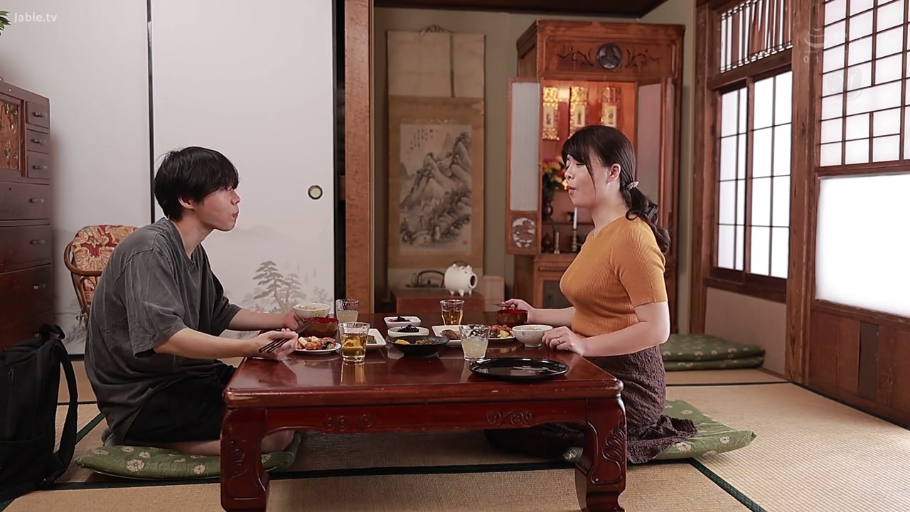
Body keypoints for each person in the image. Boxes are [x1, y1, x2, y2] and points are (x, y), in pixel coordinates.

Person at [485, 125, 697, 464]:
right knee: (500, 403)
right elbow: (593, 310)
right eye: (567, 164)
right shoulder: (599, 234)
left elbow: (658, 328)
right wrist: (534, 314)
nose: (567, 173)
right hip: (591, 368)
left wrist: (584, 345)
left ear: (613, 172)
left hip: (627, 382)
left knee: (510, 423)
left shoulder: (633, 237)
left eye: (579, 164)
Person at [85, 146, 299, 456]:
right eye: (225, 188)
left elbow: (219, 312)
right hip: (145, 397)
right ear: (187, 199)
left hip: (189, 375)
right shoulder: (149, 249)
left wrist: (284, 319)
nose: (236, 198)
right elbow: (166, 338)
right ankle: (134, 439)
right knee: (276, 436)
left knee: (287, 402)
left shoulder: (192, 250)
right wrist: (250, 347)